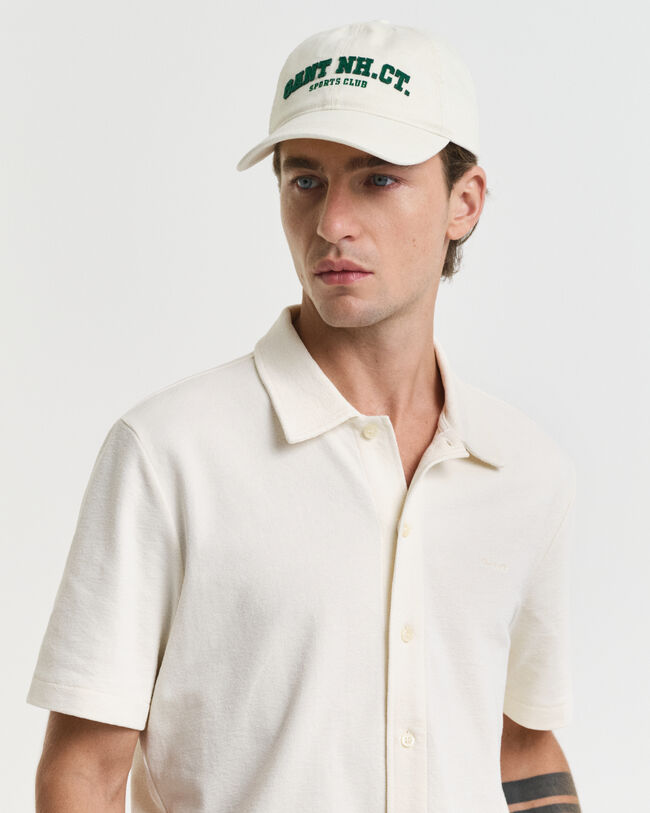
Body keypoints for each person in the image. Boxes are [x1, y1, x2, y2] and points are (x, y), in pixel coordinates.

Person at [27, 19, 582, 813]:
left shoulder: (525, 470)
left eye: (377, 179)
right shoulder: (170, 453)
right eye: (305, 180)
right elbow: (82, 771)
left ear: (465, 202)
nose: (331, 224)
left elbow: (523, 744)